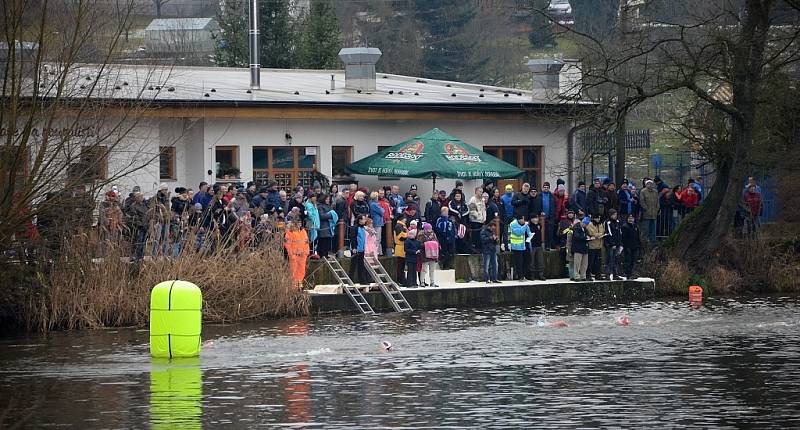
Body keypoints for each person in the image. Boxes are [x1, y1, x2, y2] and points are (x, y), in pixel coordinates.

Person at [284, 216, 309, 289]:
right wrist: (291, 255)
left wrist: (306, 253)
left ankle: (299, 285)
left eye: (300, 223)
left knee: (302, 271)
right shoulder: (289, 232)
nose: (299, 224)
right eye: (298, 223)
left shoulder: (303, 231)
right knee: (293, 271)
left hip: (302, 255)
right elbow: (287, 245)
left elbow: (307, 243)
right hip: (294, 255)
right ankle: (294, 287)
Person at [534, 182, 558, 250]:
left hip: (551, 217)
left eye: (547, 187)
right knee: (542, 232)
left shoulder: (552, 196)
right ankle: (542, 245)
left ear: (549, 188)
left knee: (550, 232)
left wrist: (553, 214)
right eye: (545, 187)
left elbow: (554, 206)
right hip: (541, 217)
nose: (546, 189)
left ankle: (548, 245)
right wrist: (540, 211)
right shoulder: (539, 195)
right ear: (543, 188)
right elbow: (537, 206)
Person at [509, 215, 531, 281]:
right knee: (519, 262)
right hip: (516, 246)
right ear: (519, 219)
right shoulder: (513, 224)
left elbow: (528, 232)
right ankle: (520, 276)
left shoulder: (524, 224)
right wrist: (525, 225)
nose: (524, 221)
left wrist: (530, 234)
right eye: (523, 219)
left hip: (524, 245)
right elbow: (519, 232)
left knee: (527, 260)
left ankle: (523, 275)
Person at [348, 215, 368, 285]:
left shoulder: (363, 228)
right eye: (363, 219)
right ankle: (350, 280)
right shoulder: (355, 228)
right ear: (359, 220)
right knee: (353, 265)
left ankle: (362, 280)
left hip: (361, 249)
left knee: (361, 265)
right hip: (356, 249)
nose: (365, 221)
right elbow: (353, 238)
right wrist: (354, 247)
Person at [604, 209, 623, 280]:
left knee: (616, 259)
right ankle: (607, 274)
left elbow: (620, 233)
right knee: (610, 259)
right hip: (610, 245)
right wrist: (612, 244)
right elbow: (608, 233)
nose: (615, 216)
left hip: (617, 244)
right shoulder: (607, 222)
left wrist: (620, 244)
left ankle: (615, 274)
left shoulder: (618, 222)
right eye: (614, 214)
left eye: (616, 214)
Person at [639, 179, 660, 245]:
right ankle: (644, 241)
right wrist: (646, 209)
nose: (650, 185)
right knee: (645, 229)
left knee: (653, 229)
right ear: (646, 185)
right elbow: (642, 201)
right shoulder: (643, 191)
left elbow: (657, 201)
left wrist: (657, 209)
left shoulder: (655, 192)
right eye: (648, 184)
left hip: (654, 214)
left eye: (651, 184)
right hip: (646, 214)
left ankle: (653, 241)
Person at [317, 194, 337, 258]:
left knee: (328, 241)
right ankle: (322, 254)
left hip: (329, 226)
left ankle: (326, 254)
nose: (328, 200)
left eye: (328, 199)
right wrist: (331, 215)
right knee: (323, 241)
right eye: (327, 199)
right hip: (323, 226)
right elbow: (321, 216)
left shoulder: (328, 206)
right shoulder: (320, 206)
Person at [419, 222, 439, 287]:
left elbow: (437, 243)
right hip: (425, 255)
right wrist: (427, 244)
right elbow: (420, 244)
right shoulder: (421, 235)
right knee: (424, 269)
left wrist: (433, 244)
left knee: (432, 270)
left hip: (433, 255)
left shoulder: (434, 235)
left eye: (430, 228)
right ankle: (422, 282)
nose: (429, 230)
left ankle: (432, 282)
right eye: (428, 229)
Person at [621, 214, 640, 279]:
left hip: (635, 246)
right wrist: (626, 247)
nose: (631, 219)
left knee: (633, 261)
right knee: (628, 261)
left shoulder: (635, 226)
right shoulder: (625, 226)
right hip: (628, 246)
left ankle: (632, 273)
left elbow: (637, 237)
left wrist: (639, 245)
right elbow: (624, 238)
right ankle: (627, 274)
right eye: (629, 218)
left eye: (632, 218)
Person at [571, 217, 591, 282]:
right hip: (578, 248)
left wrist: (589, 237)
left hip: (584, 248)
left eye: (586, 224)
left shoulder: (585, 229)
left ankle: (583, 276)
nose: (585, 225)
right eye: (585, 224)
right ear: (582, 222)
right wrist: (585, 238)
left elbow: (588, 235)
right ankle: (576, 276)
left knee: (585, 264)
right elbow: (577, 237)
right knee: (577, 263)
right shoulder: (576, 227)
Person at [467, 187, 486, 253]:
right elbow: (472, 210)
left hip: (481, 221)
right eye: (480, 191)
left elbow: (484, 209)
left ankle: (479, 248)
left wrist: (484, 217)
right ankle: (475, 248)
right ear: (476, 191)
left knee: (480, 235)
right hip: (474, 221)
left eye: (482, 192)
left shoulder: (482, 200)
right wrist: (478, 217)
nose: (481, 193)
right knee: (475, 235)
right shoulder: (473, 199)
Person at [586, 214, 604, 281]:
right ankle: (588, 275)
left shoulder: (600, 224)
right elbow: (591, 233)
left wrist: (599, 235)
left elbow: (602, 232)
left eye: (599, 218)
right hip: (592, 246)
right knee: (590, 262)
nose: (598, 220)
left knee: (598, 262)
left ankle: (598, 275)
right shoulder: (590, 224)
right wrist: (598, 235)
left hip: (599, 245)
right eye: (597, 218)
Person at [528, 215, 546, 281]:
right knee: (531, 260)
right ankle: (531, 274)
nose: (535, 219)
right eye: (533, 218)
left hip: (539, 245)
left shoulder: (539, 225)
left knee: (540, 260)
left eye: (536, 218)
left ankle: (541, 274)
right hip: (532, 245)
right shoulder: (529, 226)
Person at [304, 193, 320, 258]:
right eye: (314, 197)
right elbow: (310, 215)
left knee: (315, 238)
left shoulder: (314, 204)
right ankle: (312, 252)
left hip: (316, 223)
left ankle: (314, 251)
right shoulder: (308, 205)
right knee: (313, 238)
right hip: (312, 224)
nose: (315, 198)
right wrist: (314, 223)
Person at [393, 215, 408, 285]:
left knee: (402, 265)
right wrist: (407, 235)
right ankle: (399, 280)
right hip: (400, 247)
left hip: (402, 247)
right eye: (404, 219)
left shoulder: (402, 226)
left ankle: (402, 279)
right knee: (400, 265)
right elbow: (400, 237)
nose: (405, 220)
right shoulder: (398, 226)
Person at [499, 185, 514, 250]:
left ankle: (514, 246)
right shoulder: (502, 198)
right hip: (505, 217)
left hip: (513, 216)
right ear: (505, 190)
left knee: (514, 232)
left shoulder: (514, 197)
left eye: (510, 189)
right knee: (505, 233)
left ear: (512, 189)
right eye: (507, 189)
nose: (509, 190)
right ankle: (506, 246)